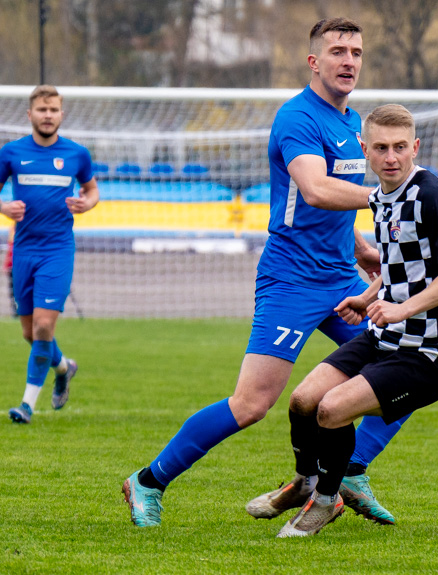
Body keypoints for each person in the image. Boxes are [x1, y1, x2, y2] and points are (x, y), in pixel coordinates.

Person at [122, 18, 408, 528]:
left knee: (409, 363)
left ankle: (350, 470)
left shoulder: (351, 122)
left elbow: (323, 209)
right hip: (292, 280)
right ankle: (148, 480)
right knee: (252, 403)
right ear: (314, 61)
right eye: (338, 51)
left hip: (341, 274)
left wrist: (361, 247)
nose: (349, 61)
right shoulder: (297, 118)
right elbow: (316, 189)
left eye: (357, 52)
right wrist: (386, 197)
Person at [274, 103, 438, 538]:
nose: (391, 157)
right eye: (381, 148)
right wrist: (367, 298)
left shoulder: (434, 197)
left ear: (415, 146)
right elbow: (398, 266)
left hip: (432, 350)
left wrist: (402, 308)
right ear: (365, 149)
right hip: (386, 335)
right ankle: (306, 482)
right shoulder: (380, 198)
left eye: (400, 147)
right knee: (303, 401)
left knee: (332, 409)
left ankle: (326, 503)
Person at [0, 85, 99, 424]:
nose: (48, 115)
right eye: (42, 110)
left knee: (44, 325)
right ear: (30, 115)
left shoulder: (76, 154)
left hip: (57, 250)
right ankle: (63, 367)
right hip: (23, 250)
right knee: (31, 333)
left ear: (61, 114)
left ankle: (27, 405)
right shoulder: (12, 153)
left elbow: (92, 189)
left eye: (53, 110)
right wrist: (4, 207)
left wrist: (88, 203)